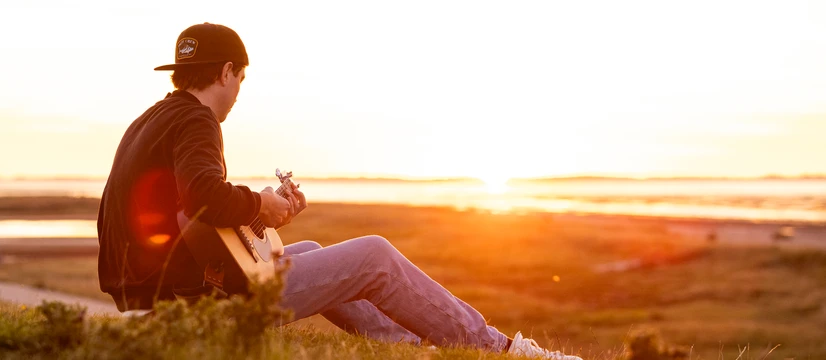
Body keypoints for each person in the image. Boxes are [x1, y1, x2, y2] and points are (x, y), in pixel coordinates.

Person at [96, 22, 582, 360]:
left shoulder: (153, 120)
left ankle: (412, 348)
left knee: (305, 251)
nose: (238, 92)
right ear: (226, 72)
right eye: (239, 79)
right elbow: (203, 196)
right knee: (374, 255)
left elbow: (193, 219)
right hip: (189, 308)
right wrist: (261, 202)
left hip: (158, 297)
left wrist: (265, 214)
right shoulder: (198, 119)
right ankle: (497, 349)